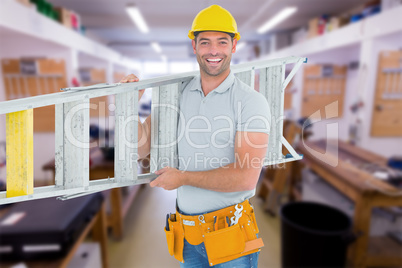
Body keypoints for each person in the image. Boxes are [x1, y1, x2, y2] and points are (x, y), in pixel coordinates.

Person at [121, 5, 271, 267]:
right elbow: (141, 148)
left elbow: (246, 177)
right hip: (189, 235)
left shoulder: (251, 102)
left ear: (234, 46)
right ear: (194, 46)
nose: (213, 51)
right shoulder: (177, 95)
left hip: (231, 238)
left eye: (222, 42)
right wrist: (129, 106)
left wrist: (183, 178)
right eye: (205, 42)